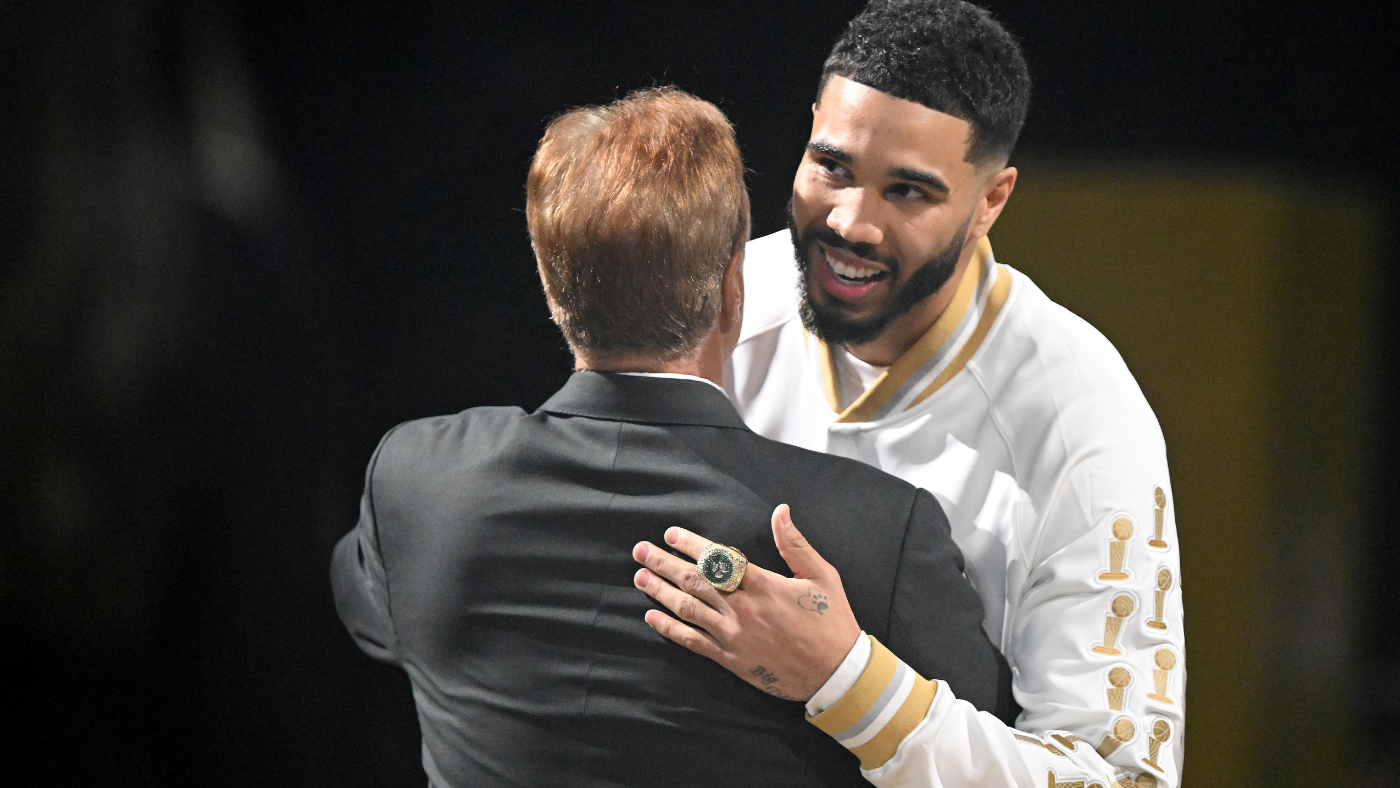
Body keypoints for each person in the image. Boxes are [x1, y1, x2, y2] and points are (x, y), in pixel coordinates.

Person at [330, 87, 1015, 788]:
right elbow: (994, 754)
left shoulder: (417, 482)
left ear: (549, 283)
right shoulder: (875, 534)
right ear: (733, 290)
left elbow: (374, 619)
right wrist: (847, 677)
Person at [631, 2, 1185, 787]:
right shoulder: (717, 301)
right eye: (833, 167)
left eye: (909, 193)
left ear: (991, 201)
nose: (853, 222)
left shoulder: (1083, 417)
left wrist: (848, 684)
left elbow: (1124, 779)